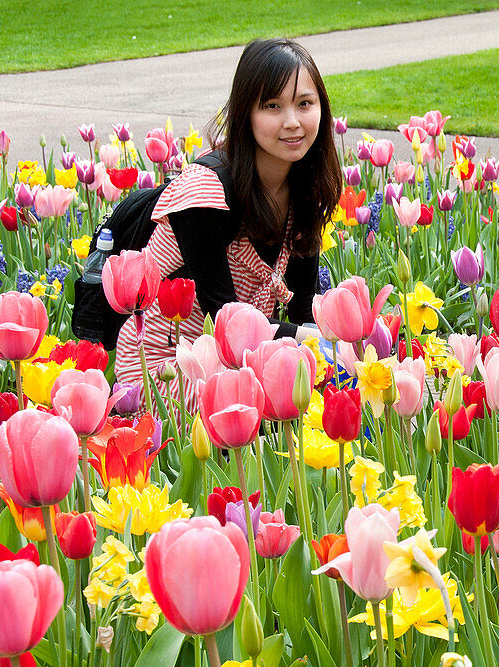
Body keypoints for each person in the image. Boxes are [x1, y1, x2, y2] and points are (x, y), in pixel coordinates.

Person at [114, 38, 341, 409]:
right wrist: (315, 341)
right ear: (244, 113)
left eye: (304, 103)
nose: (292, 122)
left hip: (241, 362)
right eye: (272, 106)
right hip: (167, 368)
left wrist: (335, 344)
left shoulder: (306, 188)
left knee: (339, 383)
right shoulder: (204, 190)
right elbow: (226, 319)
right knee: (280, 401)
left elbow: (300, 311)